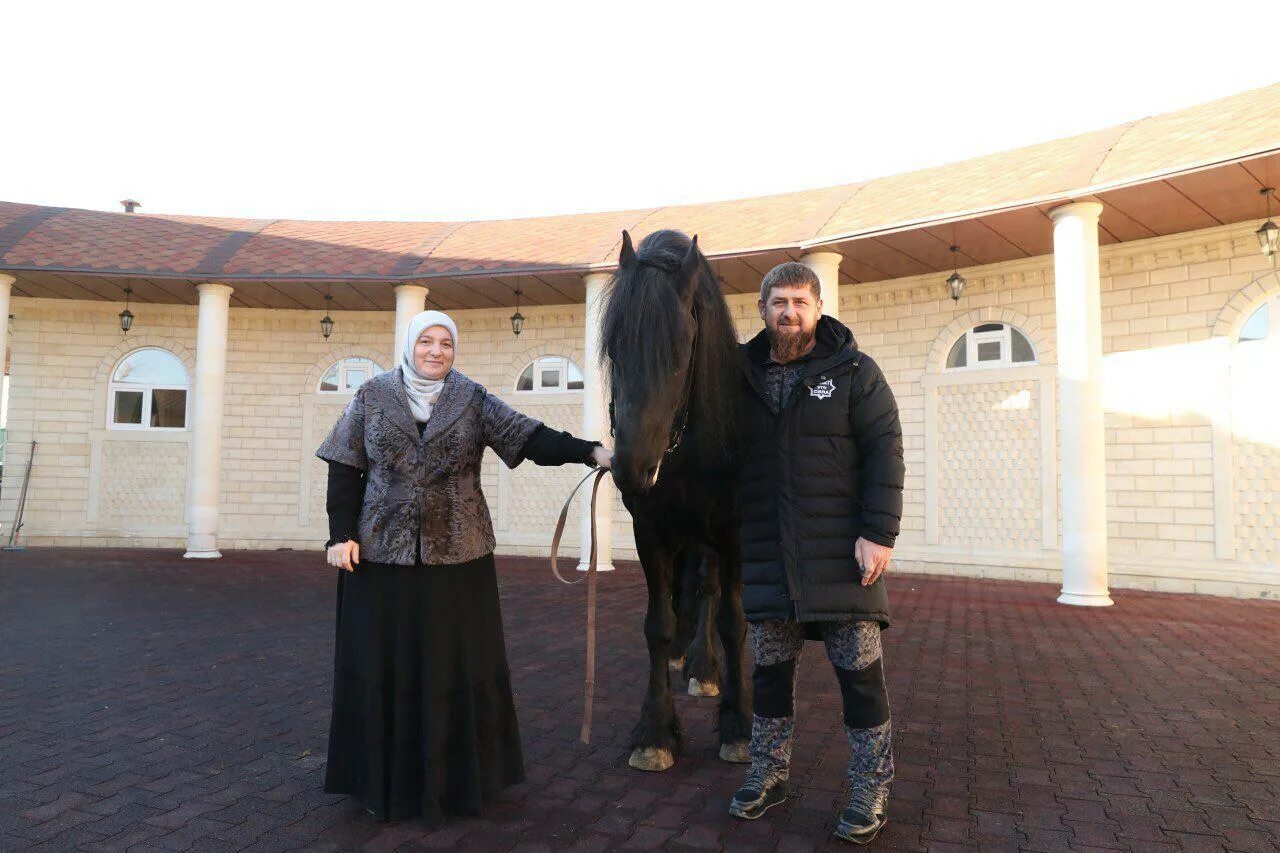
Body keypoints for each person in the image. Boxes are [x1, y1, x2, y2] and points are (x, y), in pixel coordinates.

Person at [316, 309, 612, 825]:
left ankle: (455, 780)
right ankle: (379, 779)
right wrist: (340, 535)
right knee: (382, 665)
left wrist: (590, 451)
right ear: (409, 346)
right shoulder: (372, 397)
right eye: (426, 342)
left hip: (459, 556)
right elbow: (345, 464)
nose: (435, 351)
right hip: (380, 554)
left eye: (445, 344)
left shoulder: (471, 398)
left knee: (453, 665)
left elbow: (530, 438)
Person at [729, 263, 905, 845]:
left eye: (801, 302)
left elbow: (886, 452)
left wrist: (879, 531)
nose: (789, 312)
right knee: (771, 674)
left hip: (841, 553)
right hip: (767, 549)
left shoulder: (855, 372)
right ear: (761, 310)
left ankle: (869, 784)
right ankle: (769, 773)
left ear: (819, 307)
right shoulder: (738, 377)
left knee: (860, 676)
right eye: (778, 302)